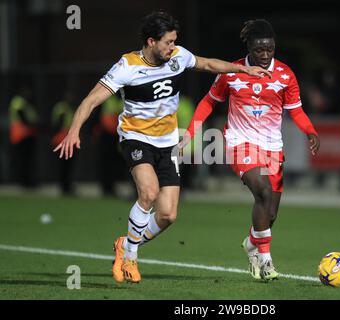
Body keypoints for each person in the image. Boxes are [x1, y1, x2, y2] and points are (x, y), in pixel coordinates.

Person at [53, 11, 270, 284]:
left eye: (174, 41)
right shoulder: (127, 66)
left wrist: (243, 69)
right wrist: (74, 130)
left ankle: (126, 245)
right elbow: (90, 100)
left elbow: (207, 64)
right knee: (149, 192)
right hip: (136, 138)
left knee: (168, 214)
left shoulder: (177, 56)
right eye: (168, 42)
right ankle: (130, 257)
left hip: (168, 142)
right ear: (151, 41)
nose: (173, 46)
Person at [178, 19, 319, 281]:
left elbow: (296, 111)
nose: (265, 55)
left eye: (270, 49)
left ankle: (252, 243)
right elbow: (209, 102)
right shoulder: (232, 71)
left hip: (272, 147)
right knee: (263, 191)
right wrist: (190, 133)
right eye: (259, 50)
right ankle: (265, 261)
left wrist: (310, 131)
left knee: (271, 212)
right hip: (239, 142)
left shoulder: (285, 75)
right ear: (249, 48)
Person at [9, 85, 39, 188]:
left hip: (27, 134)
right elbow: (21, 115)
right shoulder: (18, 101)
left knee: (27, 160)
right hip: (22, 135)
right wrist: (31, 123)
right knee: (24, 160)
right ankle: (25, 182)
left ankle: (28, 181)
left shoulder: (25, 103)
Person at [51, 90, 76, 195]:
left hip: (67, 140)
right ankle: (64, 187)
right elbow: (58, 124)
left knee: (67, 165)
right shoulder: (63, 108)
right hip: (62, 140)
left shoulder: (67, 108)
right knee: (64, 166)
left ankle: (67, 186)